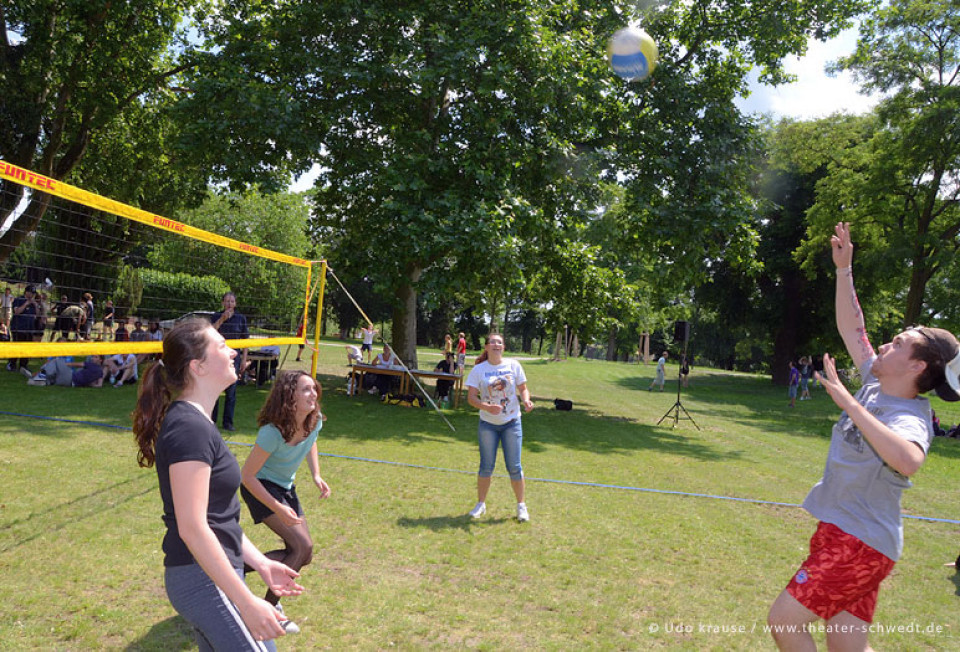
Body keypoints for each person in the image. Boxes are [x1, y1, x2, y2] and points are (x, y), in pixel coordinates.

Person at [767, 222, 960, 651]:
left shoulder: (911, 414)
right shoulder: (876, 382)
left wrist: (849, 405)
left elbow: (909, 460)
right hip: (850, 535)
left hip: (859, 542)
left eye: (897, 344)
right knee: (846, 645)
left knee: (784, 620)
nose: (884, 347)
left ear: (917, 368)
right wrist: (843, 270)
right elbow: (852, 327)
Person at [133, 319, 304, 650]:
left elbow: (218, 520)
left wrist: (261, 562)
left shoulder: (198, 423)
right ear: (198, 367)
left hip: (214, 573)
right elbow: (193, 528)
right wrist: (246, 602)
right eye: (222, 345)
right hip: (202, 577)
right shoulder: (188, 429)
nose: (233, 351)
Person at [240, 371, 331, 627]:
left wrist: (316, 474)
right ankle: (268, 610)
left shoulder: (314, 421)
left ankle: (231, 567)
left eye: (313, 388)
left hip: (285, 488)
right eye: (305, 389)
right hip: (260, 487)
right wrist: (277, 507)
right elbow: (247, 476)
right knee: (302, 548)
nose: (312, 394)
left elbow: (311, 441)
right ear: (289, 395)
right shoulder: (272, 432)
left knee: (304, 553)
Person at [465, 333, 535, 522]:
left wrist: (526, 401)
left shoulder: (513, 365)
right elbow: (471, 398)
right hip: (487, 424)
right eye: (493, 342)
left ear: (503, 347)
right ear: (486, 347)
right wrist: (486, 407)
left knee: (514, 466)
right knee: (486, 466)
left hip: (512, 422)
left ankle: (521, 506)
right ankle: (481, 504)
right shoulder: (479, 370)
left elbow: (523, 388)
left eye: (500, 342)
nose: (496, 345)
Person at [211, 292, 249, 432]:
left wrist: (244, 359)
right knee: (215, 391)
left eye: (232, 301)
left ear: (235, 304)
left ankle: (228, 423)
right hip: (218, 358)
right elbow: (210, 333)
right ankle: (212, 420)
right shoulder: (216, 316)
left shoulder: (240, 318)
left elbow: (245, 341)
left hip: (234, 359)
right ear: (222, 303)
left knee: (231, 393)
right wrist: (222, 319)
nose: (229, 304)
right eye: (227, 301)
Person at [7, 285, 39, 375]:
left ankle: (23, 366)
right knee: (17, 347)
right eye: (31, 293)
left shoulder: (34, 303)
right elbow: (17, 312)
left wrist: (35, 305)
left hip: (29, 329)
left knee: (26, 348)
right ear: (26, 292)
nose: (32, 295)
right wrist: (26, 303)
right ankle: (12, 364)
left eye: (33, 293)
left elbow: (38, 315)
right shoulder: (18, 300)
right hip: (18, 328)